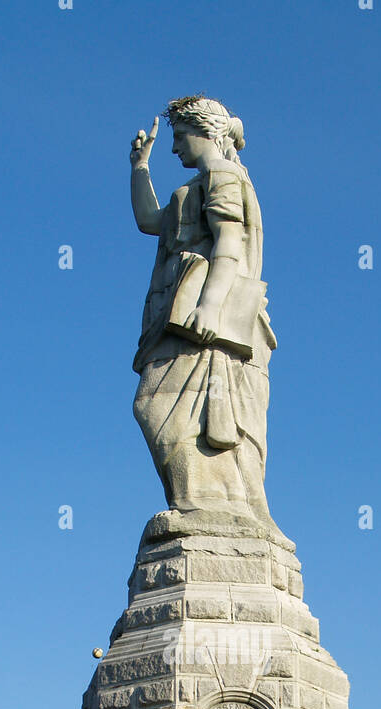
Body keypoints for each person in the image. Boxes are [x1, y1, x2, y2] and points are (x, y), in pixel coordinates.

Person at [129, 95, 283, 537]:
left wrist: (210, 307)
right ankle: (197, 504)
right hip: (177, 314)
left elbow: (229, 243)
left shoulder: (223, 176)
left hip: (205, 321)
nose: (175, 147)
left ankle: (210, 507)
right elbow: (148, 221)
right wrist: (140, 167)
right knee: (154, 406)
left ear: (207, 133)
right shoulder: (194, 187)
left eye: (180, 137)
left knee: (158, 406)